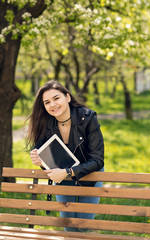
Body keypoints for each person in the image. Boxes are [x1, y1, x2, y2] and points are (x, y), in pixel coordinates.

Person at [27, 80, 104, 232]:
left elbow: (97, 160)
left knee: (83, 227)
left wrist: (68, 172)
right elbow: (48, 160)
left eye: (56, 98)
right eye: (47, 102)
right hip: (62, 176)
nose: (52, 105)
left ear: (67, 97)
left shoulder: (88, 118)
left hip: (89, 174)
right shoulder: (45, 123)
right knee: (68, 226)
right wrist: (40, 161)